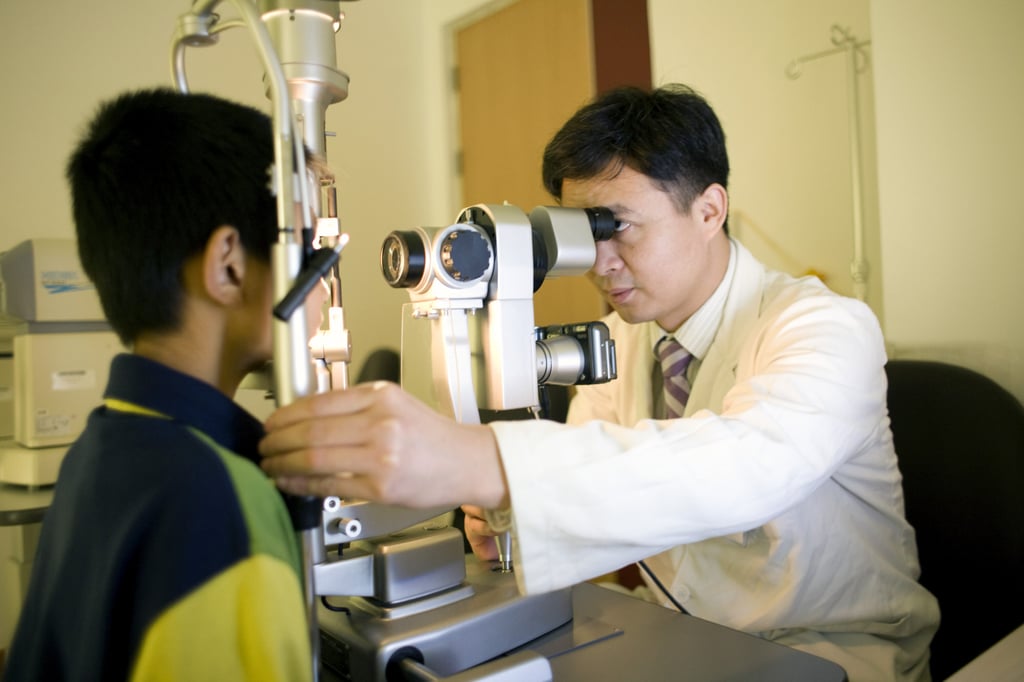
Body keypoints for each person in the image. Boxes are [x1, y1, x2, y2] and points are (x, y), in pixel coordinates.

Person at [258, 84, 941, 681]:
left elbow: (751, 464)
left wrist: (482, 463)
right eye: (584, 233)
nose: (599, 262)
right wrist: (509, 519)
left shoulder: (824, 326)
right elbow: (588, 481)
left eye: (618, 229)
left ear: (709, 210)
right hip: (684, 638)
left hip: (827, 649)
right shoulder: (619, 337)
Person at [3, 88, 328, 681]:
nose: (323, 291)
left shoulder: (102, 449)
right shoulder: (220, 504)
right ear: (228, 263)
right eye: (307, 255)